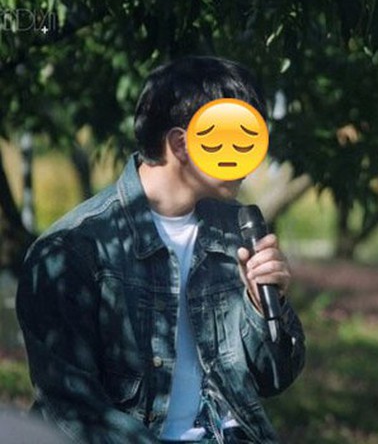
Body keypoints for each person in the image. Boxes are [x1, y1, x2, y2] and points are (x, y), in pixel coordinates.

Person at [15, 56, 306, 443]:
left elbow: (274, 378)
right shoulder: (70, 252)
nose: (250, 161)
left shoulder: (235, 230)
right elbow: (72, 409)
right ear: (181, 145)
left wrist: (264, 306)